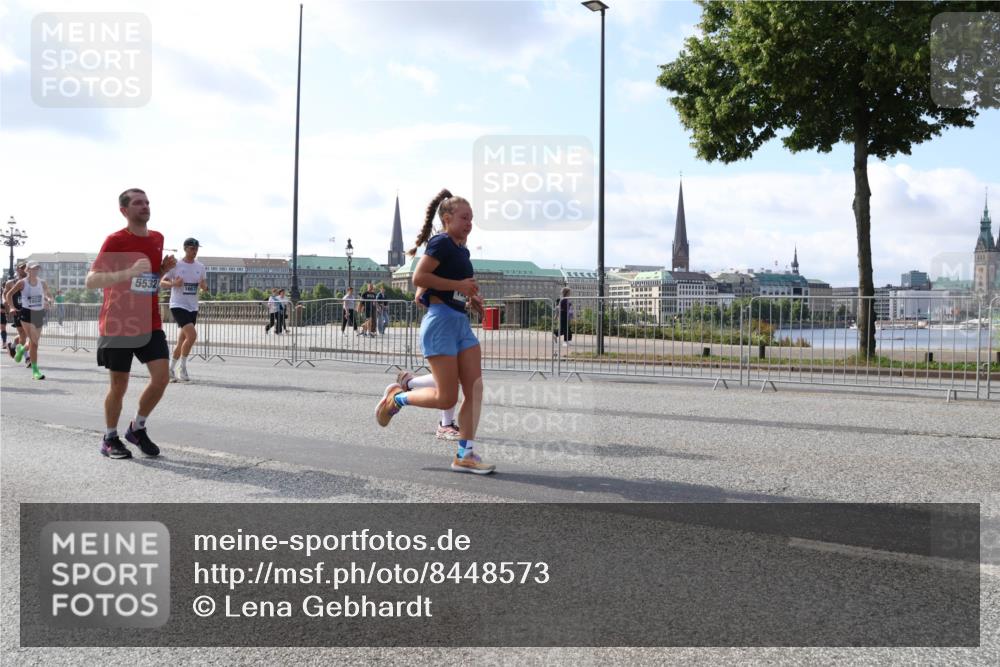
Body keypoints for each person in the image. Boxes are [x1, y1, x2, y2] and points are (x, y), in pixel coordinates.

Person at [374, 188, 493, 474]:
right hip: (440, 323)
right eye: (464, 217)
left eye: (472, 218)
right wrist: (459, 286)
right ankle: (397, 398)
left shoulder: (462, 250)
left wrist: (472, 299)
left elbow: (456, 287)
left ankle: (465, 454)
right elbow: (419, 277)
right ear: (447, 218)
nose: (470, 223)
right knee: (446, 398)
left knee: (474, 389)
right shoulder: (441, 242)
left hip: (460, 322)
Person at [86, 188, 177, 459]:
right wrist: (128, 271)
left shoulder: (158, 238)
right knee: (119, 385)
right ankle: (109, 438)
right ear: (124, 210)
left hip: (149, 321)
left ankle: (137, 428)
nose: (145, 206)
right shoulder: (115, 240)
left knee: (161, 378)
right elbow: (92, 280)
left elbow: (147, 282)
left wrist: (161, 271)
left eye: (147, 202)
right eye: (138, 203)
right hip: (118, 323)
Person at [161, 237, 207, 382]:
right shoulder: (177, 265)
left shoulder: (200, 267)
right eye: (192, 248)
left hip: (193, 307)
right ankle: (182, 368)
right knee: (192, 336)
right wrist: (174, 283)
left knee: (182, 341)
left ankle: (169, 369)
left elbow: (204, 286)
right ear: (185, 248)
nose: (195, 251)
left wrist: (204, 287)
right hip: (178, 305)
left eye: (196, 248)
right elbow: (162, 282)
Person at [4, 261, 53, 379]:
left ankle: (21, 349)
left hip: (38, 313)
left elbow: (49, 295)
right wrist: (12, 307)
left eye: (37, 269)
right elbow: (9, 295)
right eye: (33, 269)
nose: (35, 271)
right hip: (26, 313)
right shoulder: (22, 283)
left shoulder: (42, 283)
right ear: (28, 270)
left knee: (33, 341)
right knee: (34, 344)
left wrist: (49, 301)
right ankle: (35, 371)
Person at [4, 263, 28, 364]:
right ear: (17, 269)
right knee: (23, 334)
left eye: (25, 268)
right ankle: (27, 358)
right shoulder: (10, 283)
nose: (24, 270)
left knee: (27, 334)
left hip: (29, 310)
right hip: (17, 311)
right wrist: (10, 307)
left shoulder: (31, 282)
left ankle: (13, 345)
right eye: (21, 268)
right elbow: (5, 295)